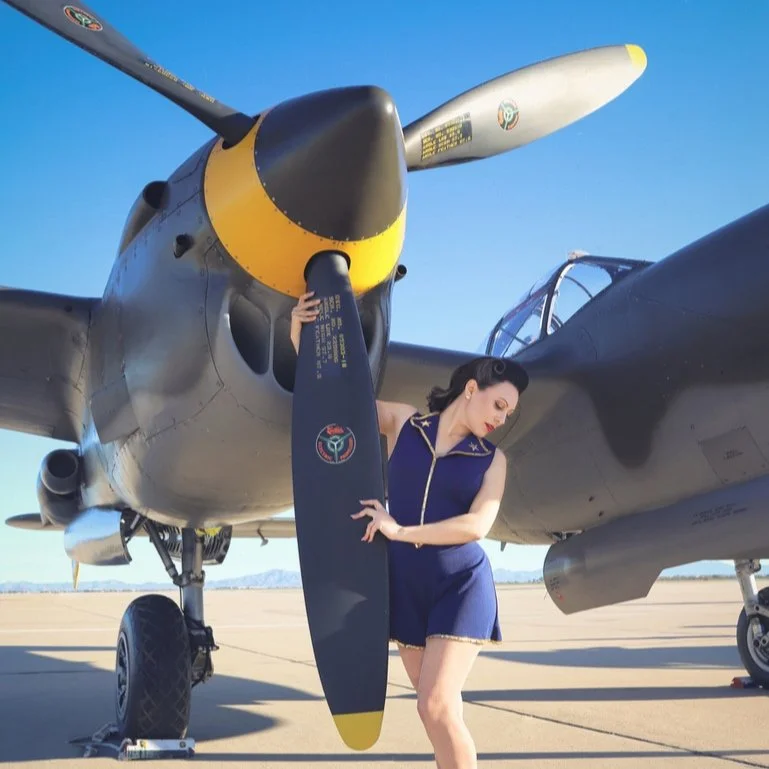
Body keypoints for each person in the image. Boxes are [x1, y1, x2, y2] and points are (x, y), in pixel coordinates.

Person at [291, 291, 529, 769]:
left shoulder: (493, 460)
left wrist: (399, 531)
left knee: (435, 705)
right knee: (437, 714)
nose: (501, 418)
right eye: (499, 404)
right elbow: (337, 401)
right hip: (406, 588)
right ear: (472, 388)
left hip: (460, 584)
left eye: (508, 413)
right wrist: (301, 335)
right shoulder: (405, 423)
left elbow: (477, 525)